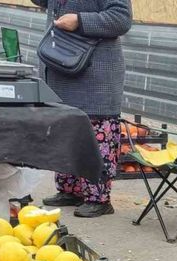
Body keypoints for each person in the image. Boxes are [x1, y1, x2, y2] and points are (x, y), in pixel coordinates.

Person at [34, 0, 132, 218]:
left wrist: (79, 20)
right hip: (62, 61)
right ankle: (70, 190)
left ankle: (99, 199)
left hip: (94, 72)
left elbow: (121, 18)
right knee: (65, 129)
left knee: (95, 133)